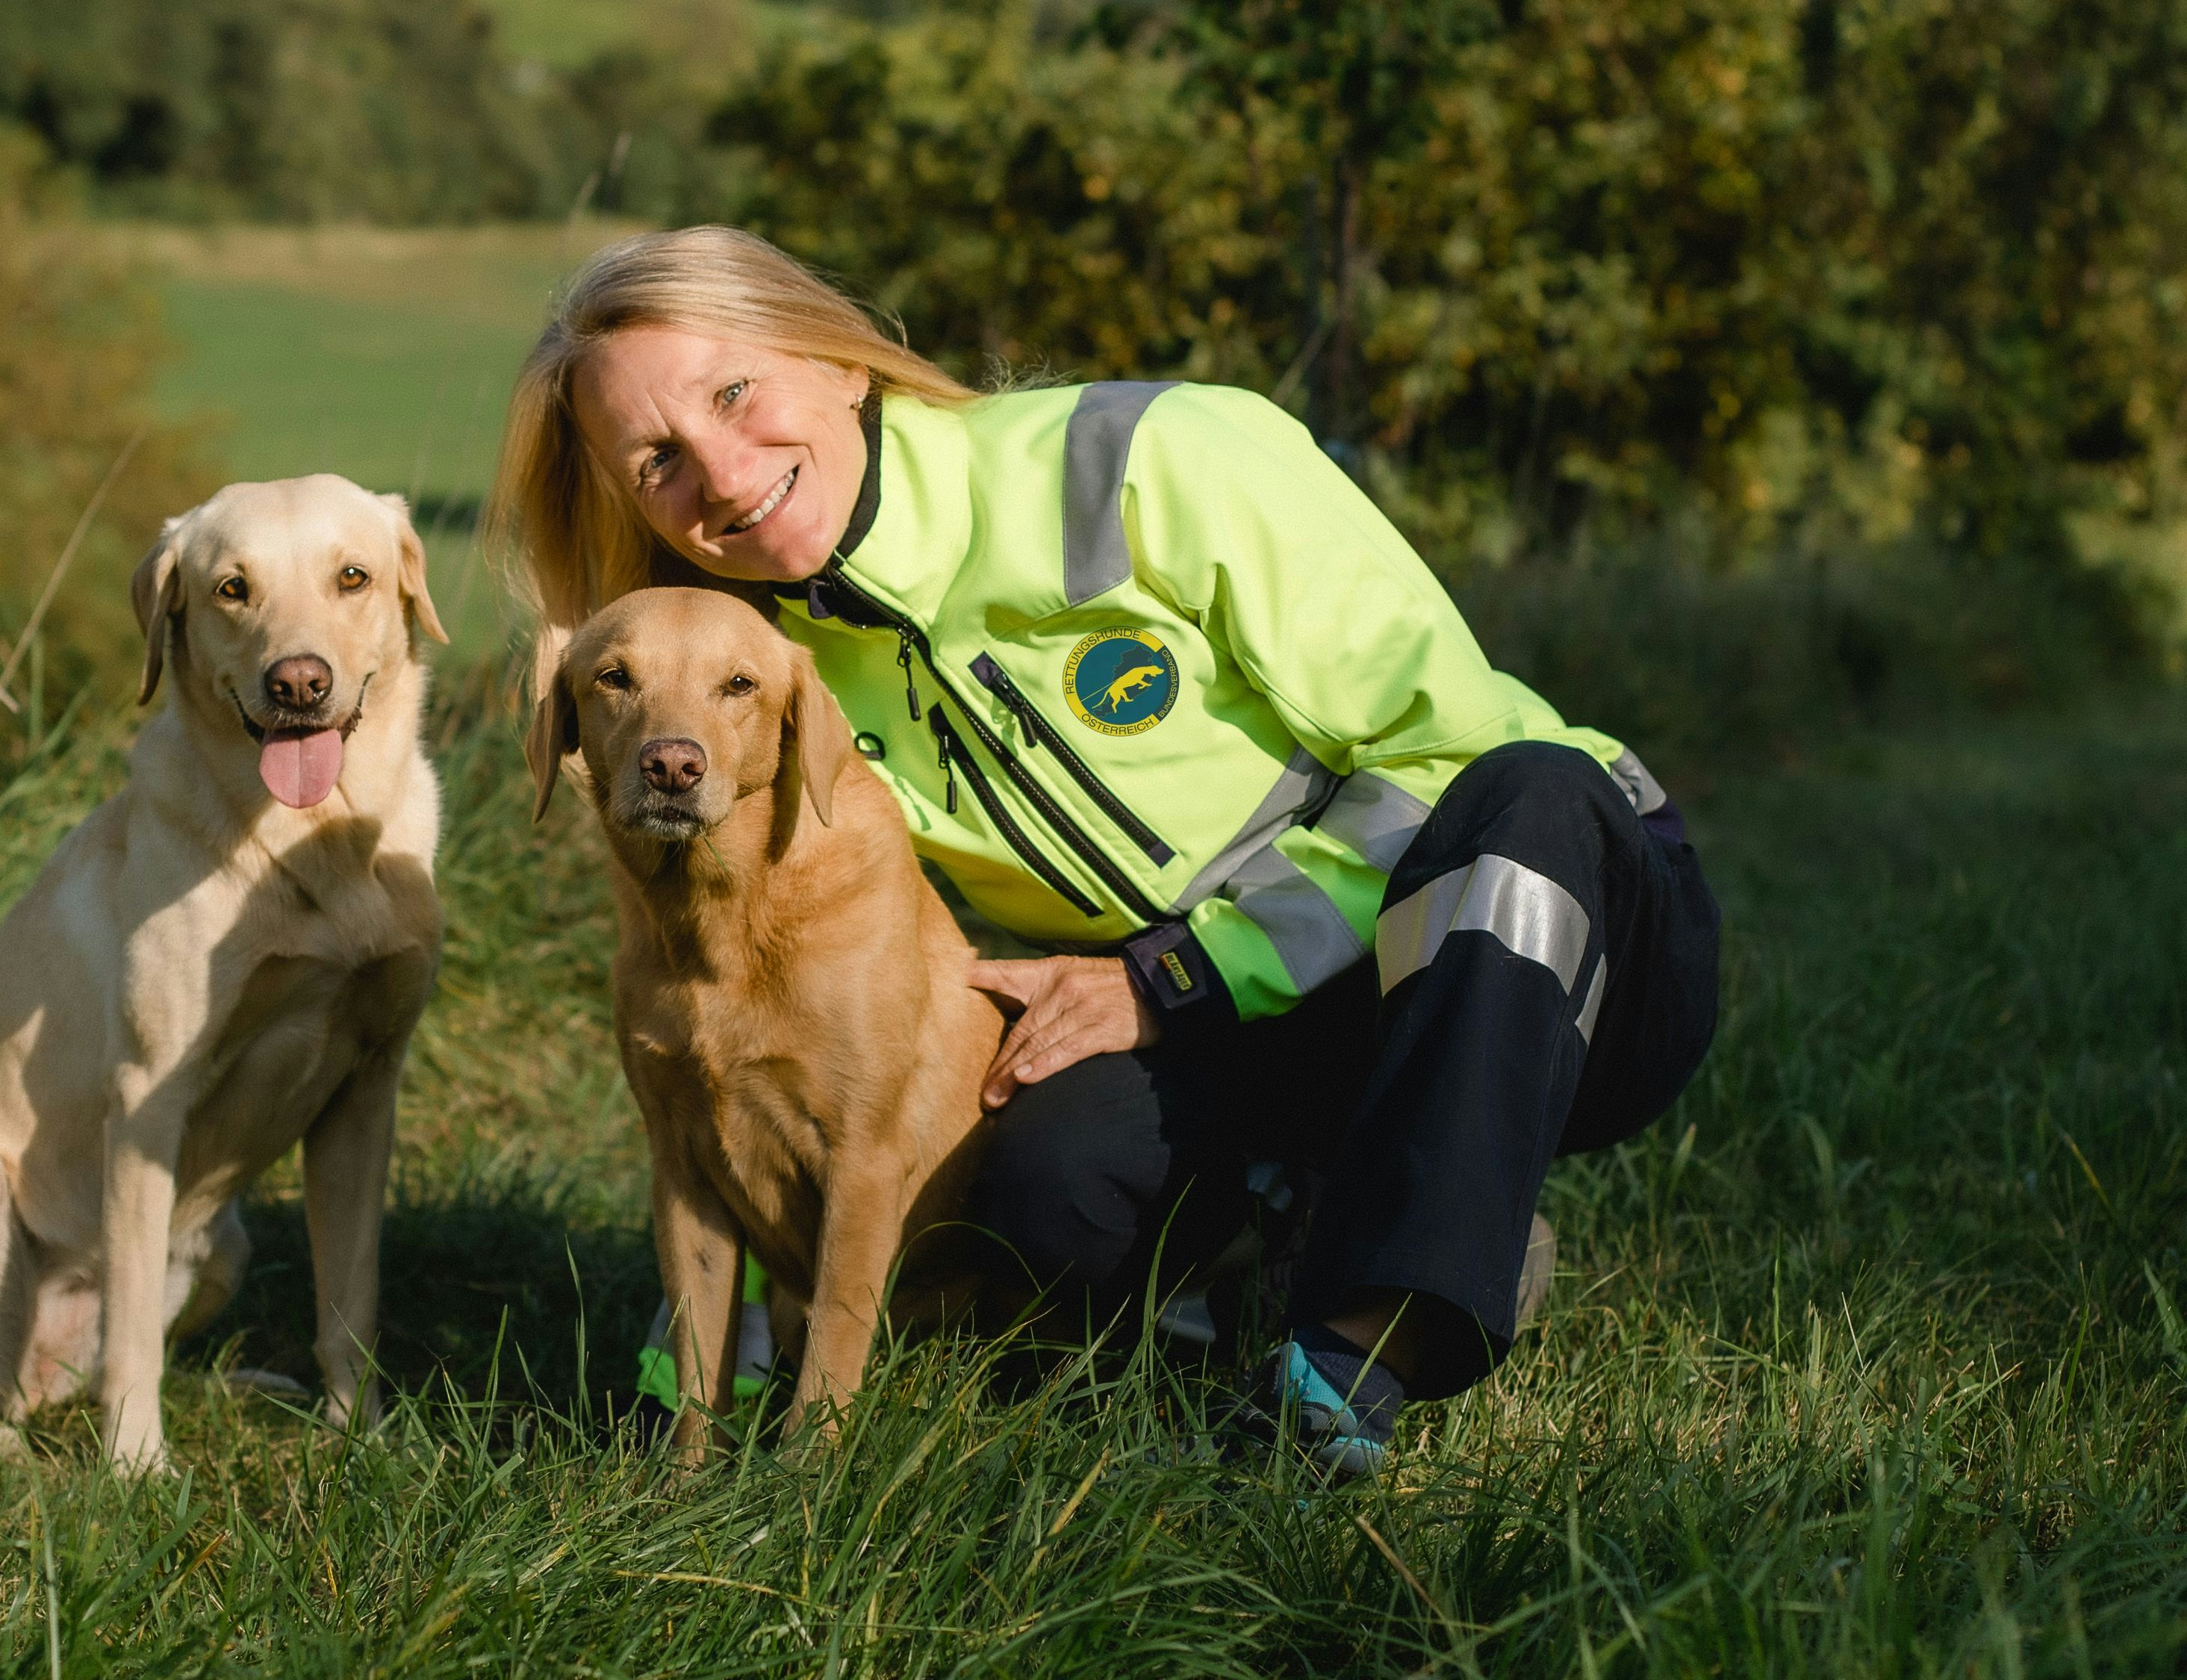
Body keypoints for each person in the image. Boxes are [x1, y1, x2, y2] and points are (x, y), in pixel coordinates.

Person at [489, 226, 1720, 1479]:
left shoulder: (1150, 455)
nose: (723, 470)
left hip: (1554, 940)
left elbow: (1447, 748)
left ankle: (1350, 1364)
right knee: (1038, 1191)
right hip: (1233, 1015)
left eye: (735, 393)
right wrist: (710, 1322)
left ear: (840, 361)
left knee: (1534, 794)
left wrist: (1177, 975)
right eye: (658, 460)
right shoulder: (769, 675)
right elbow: (768, 1009)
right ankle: (1306, 1227)